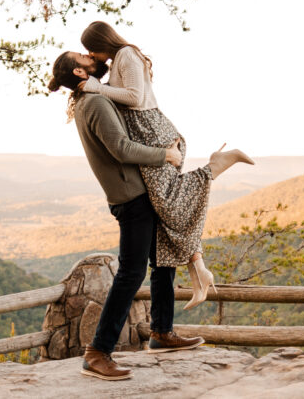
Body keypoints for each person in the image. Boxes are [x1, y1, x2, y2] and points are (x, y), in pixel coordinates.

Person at [47, 51, 244, 380]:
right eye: (83, 57)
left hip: (137, 193)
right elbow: (121, 147)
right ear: (80, 72)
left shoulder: (92, 97)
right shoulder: (93, 104)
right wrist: (164, 155)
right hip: (131, 197)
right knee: (131, 273)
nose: (90, 56)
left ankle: (161, 332)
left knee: (163, 258)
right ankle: (97, 352)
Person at [78, 20, 253, 309]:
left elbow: (134, 97)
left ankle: (216, 166)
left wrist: (98, 87)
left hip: (151, 130)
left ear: (100, 43)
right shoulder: (120, 59)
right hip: (145, 130)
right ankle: (199, 271)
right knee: (165, 209)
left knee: (169, 202)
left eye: (90, 50)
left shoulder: (127, 55)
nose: (91, 55)